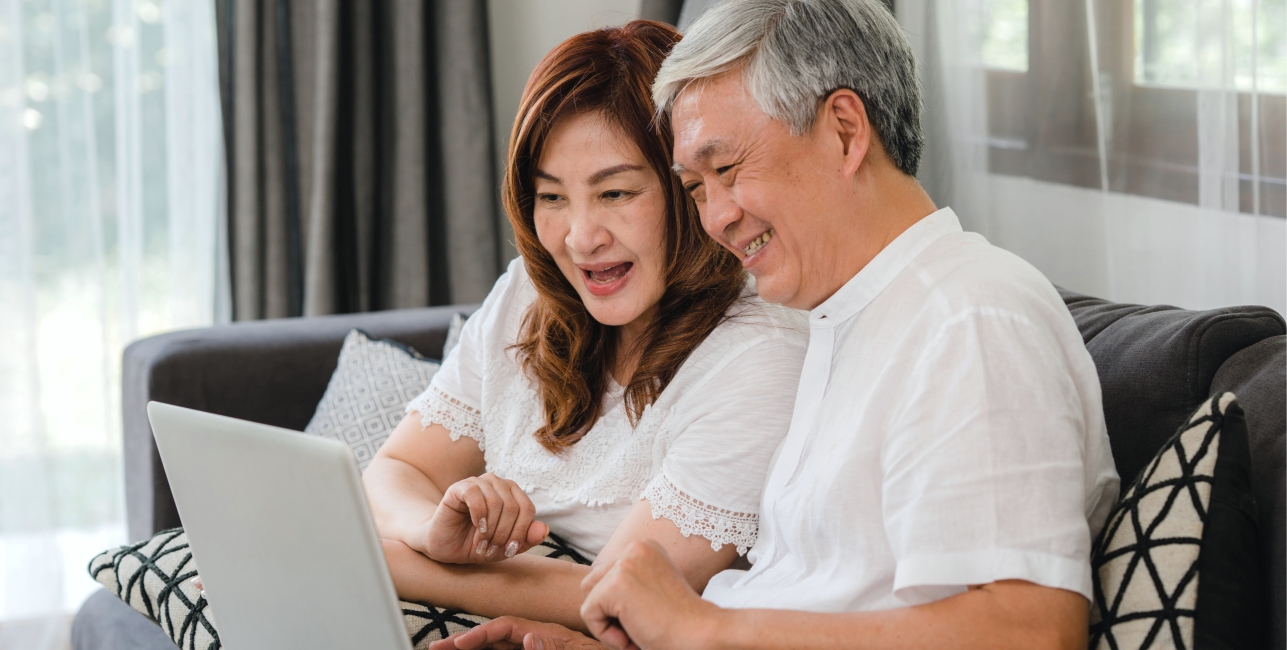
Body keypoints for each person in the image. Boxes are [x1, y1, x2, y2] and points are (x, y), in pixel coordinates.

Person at [432, 1, 1120, 649]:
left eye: (726, 169)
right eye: (696, 188)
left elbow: (1031, 630)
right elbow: (807, 597)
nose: (714, 217)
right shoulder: (843, 318)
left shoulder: (969, 316)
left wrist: (700, 632)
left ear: (844, 131)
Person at [361, 19, 808, 635]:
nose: (580, 238)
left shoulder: (759, 353)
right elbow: (394, 472)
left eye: (616, 193)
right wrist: (431, 532)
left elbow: (627, 594)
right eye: (551, 198)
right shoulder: (528, 292)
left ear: (688, 189)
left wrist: (388, 564)